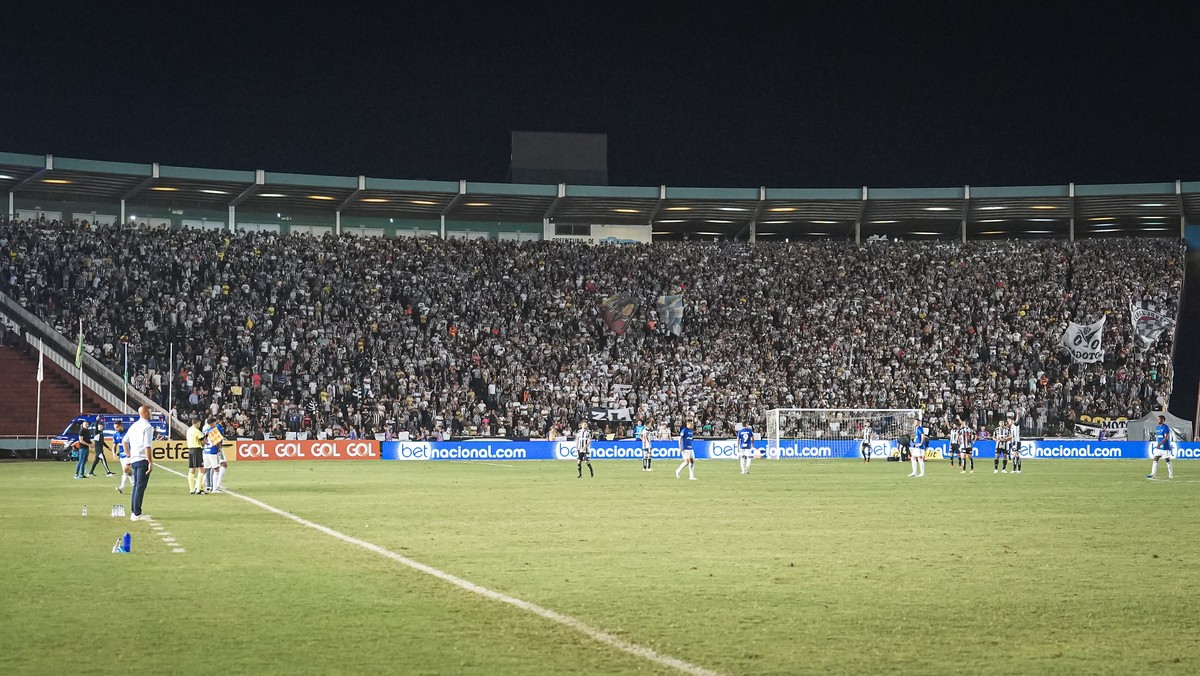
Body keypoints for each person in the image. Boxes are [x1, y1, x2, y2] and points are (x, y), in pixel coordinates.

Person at [122, 406, 154, 521]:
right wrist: (150, 462)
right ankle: (136, 513)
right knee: (140, 486)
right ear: (145, 413)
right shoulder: (148, 427)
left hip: (134, 459)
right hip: (142, 459)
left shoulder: (134, 426)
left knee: (136, 486)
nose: (151, 414)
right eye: (150, 412)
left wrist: (129, 456)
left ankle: (134, 511)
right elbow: (147, 446)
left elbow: (124, 441)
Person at [1147, 414, 1175, 480]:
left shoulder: (1165, 427)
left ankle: (1171, 475)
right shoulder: (1157, 427)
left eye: (1160, 419)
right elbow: (1159, 437)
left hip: (1165, 447)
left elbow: (1166, 437)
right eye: (1158, 419)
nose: (1159, 420)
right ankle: (1153, 474)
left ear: (1163, 420)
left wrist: (1160, 444)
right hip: (1159, 447)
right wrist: (1158, 444)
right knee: (1155, 459)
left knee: (1167, 460)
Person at [202, 417, 226, 491]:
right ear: (213, 423)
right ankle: (215, 488)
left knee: (206, 469)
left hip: (206, 451)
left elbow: (202, 442)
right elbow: (217, 442)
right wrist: (219, 448)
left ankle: (200, 485)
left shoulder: (205, 430)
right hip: (213, 451)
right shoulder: (214, 430)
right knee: (216, 469)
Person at [186, 417, 206, 494]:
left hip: (191, 450)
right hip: (197, 450)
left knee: (192, 469)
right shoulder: (197, 431)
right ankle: (198, 489)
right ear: (197, 423)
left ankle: (191, 489)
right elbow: (203, 441)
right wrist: (205, 437)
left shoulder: (189, 430)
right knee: (201, 469)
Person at [112, 421, 134, 493]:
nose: (116, 429)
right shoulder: (115, 435)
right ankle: (134, 487)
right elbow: (114, 445)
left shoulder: (128, 432)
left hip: (129, 455)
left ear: (121, 426)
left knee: (125, 470)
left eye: (117, 427)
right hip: (121, 456)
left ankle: (122, 487)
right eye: (115, 427)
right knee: (129, 472)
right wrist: (114, 453)